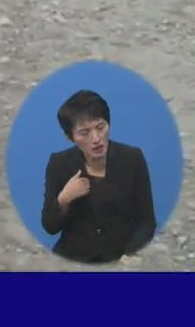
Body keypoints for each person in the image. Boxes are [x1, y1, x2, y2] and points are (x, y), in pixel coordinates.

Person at [41, 89, 157, 264]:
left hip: (119, 258)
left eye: (100, 127)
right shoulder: (59, 164)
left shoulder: (132, 158)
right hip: (74, 259)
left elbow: (146, 221)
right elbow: (50, 226)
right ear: (70, 137)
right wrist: (64, 198)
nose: (96, 138)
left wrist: (131, 254)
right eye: (85, 132)